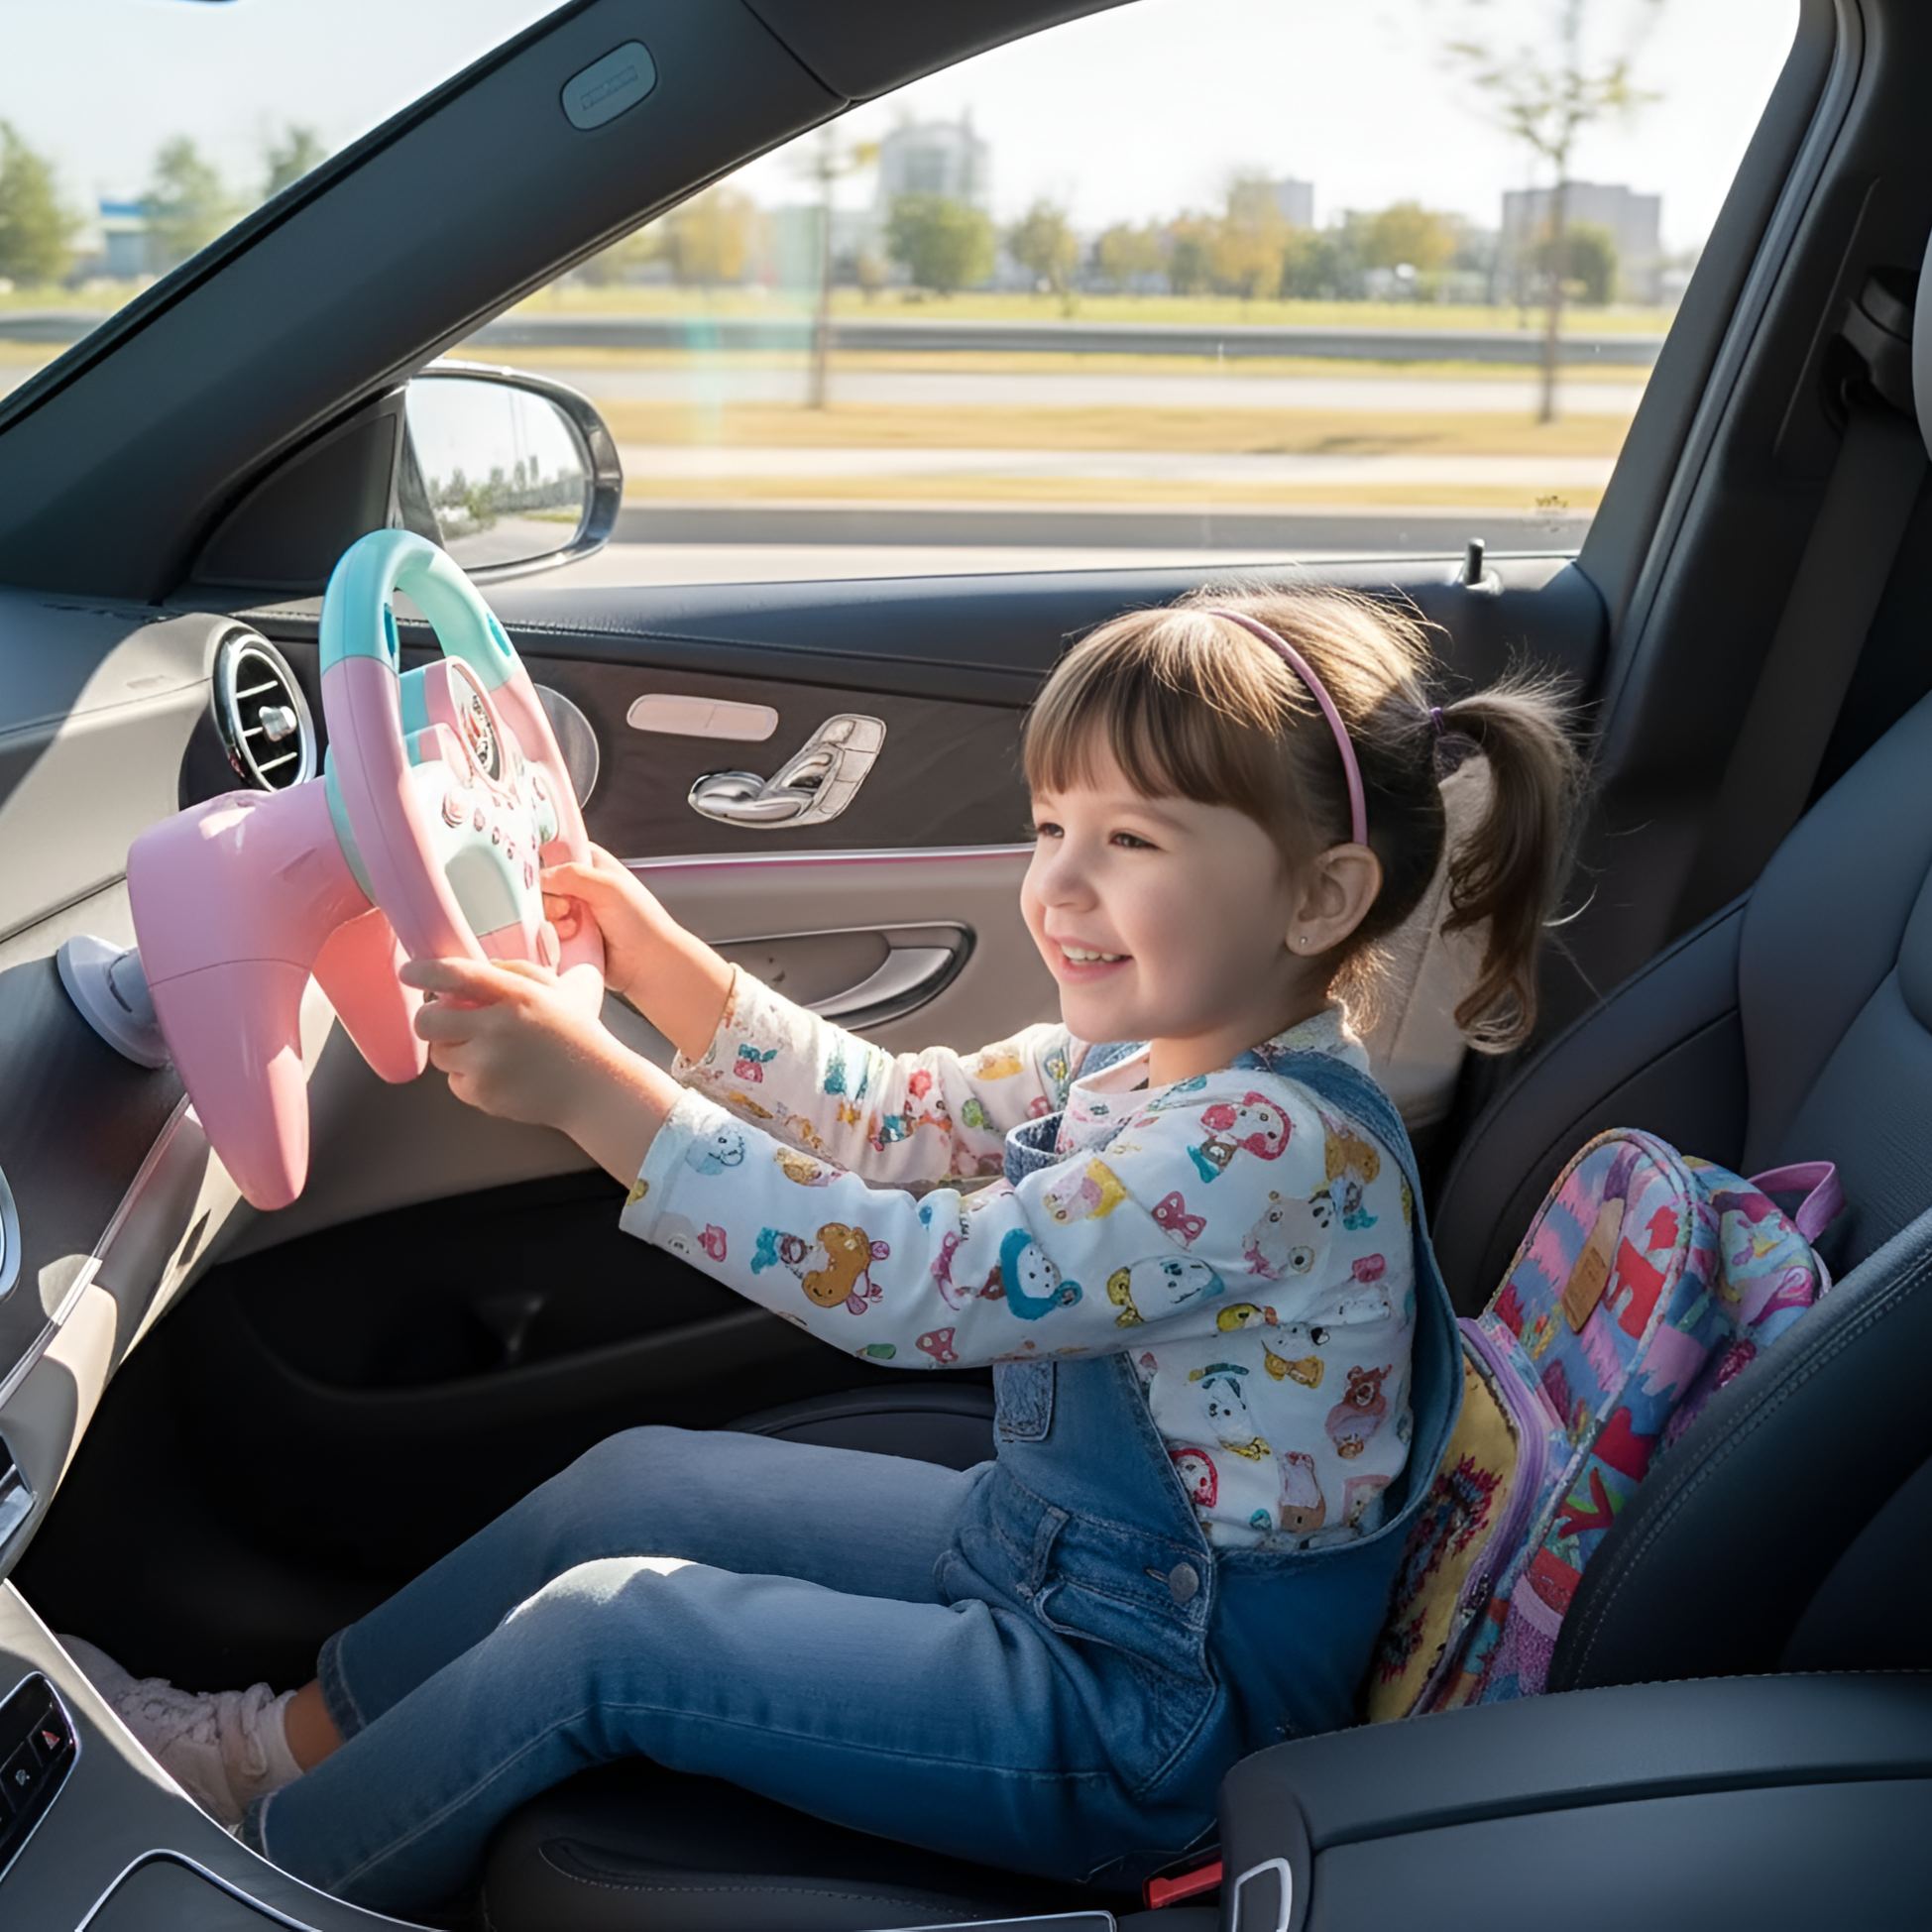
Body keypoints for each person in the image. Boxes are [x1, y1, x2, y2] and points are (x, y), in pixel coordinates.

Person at [66, 589, 1579, 1916]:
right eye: (1052, 825)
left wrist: (602, 1091)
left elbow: (919, 1281)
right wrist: (659, 963)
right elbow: (895, 1119)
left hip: (1144, 1713)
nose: (1058, 883)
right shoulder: (1141, 1062)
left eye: (1131, 842)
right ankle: (262, 1747)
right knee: (634, 1483)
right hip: (1044, 1565)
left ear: (1318, 895)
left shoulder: (1267, 1149)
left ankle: (257, 1872)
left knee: (611, 1635)